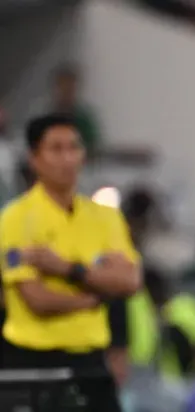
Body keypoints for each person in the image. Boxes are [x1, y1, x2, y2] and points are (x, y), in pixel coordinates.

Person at [0, 114, 141, 411]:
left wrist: (66, 269)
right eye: (56, 149)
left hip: (91, 360)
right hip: (34, 363)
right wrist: (94, 296)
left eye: (73, 147)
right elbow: (36, 299)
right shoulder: (16, 219)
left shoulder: (104, 217)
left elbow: (129, 282)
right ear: (35, 158)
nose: (67, 158)